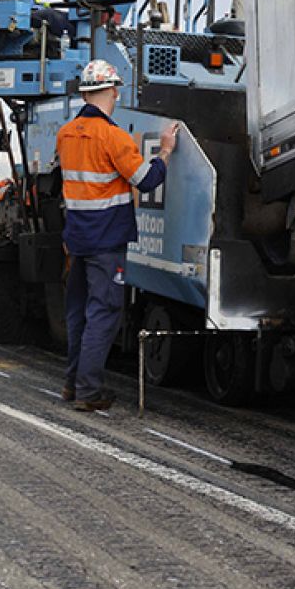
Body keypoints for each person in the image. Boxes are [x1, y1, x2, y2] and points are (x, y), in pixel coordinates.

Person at [56, 60, 178, 411]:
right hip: (107, 240)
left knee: (78, 313)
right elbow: (148, 180)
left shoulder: (66, 134)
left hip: (77, 237)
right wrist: (165, 151)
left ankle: (71, 383)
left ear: (83, 93)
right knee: (104, 313)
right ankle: (88, 391)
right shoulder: (113, 137)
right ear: (113, 91)